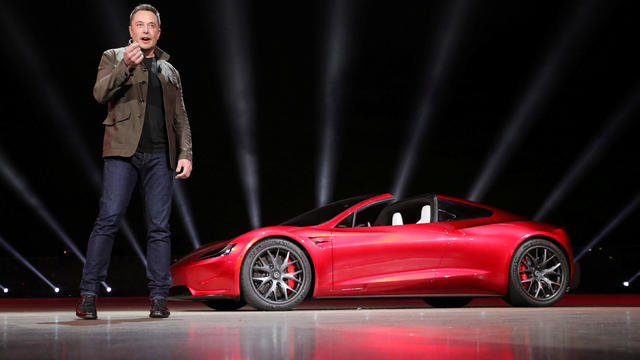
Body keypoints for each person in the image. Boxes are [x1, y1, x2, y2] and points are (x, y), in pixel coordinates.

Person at [76, 4, 193, 319]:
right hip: (122, 151)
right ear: (130, 31)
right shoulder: (113, 56)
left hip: (161, 156)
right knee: (109, 218)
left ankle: (158, 298)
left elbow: (180, 116)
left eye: (150, 25)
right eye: (139, 25)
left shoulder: (170, 70)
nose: (145, 30)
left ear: (158, 32)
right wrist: (125, 66)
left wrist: (185, 154)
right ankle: (89, 294)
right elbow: (100, 94)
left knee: (159, 227)